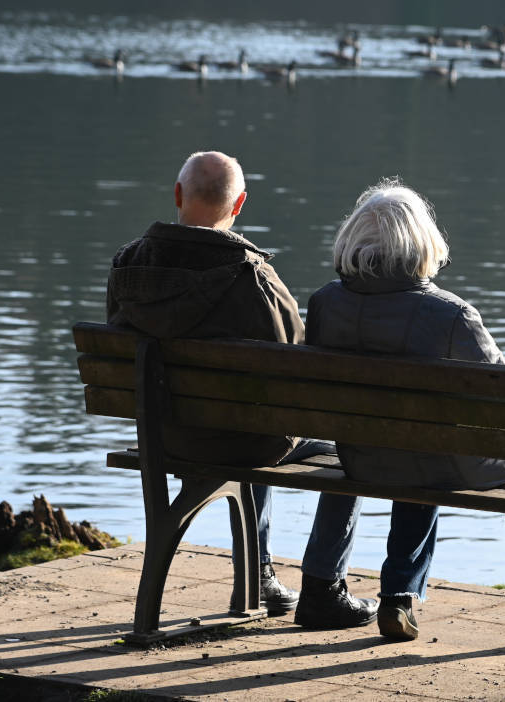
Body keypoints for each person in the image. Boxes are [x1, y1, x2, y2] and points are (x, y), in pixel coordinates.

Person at [304, 178, 505, 641]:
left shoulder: (324, 303)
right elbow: (504, 399)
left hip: (365, 454)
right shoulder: (452, 314)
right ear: (421, 241)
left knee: (417, 457)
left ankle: (399, 598)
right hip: (437, 457)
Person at [106, 151, 376, 628]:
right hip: (241, 437)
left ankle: (263, 573)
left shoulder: (128, 264)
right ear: (241, 203)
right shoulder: (252, 275)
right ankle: (322, 586)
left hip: (162, 436)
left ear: (177, 195)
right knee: (344, 448)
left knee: (254, 420)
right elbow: (298, 367)